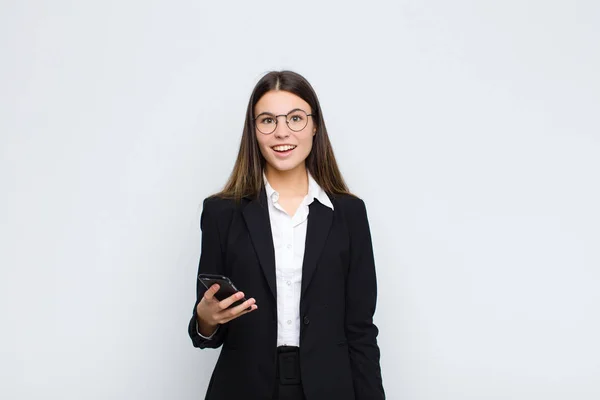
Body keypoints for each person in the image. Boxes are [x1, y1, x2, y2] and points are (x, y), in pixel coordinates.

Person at [188, 70, 385, 400]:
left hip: (329, 387)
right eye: (267, 120)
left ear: (314, 125)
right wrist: (204, 320)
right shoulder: (222, 213)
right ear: (254, 130)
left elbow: (360, 329)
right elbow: (207, 329)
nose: (282, 132)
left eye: (295, 118)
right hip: (243, 387)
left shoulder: (349, 214)